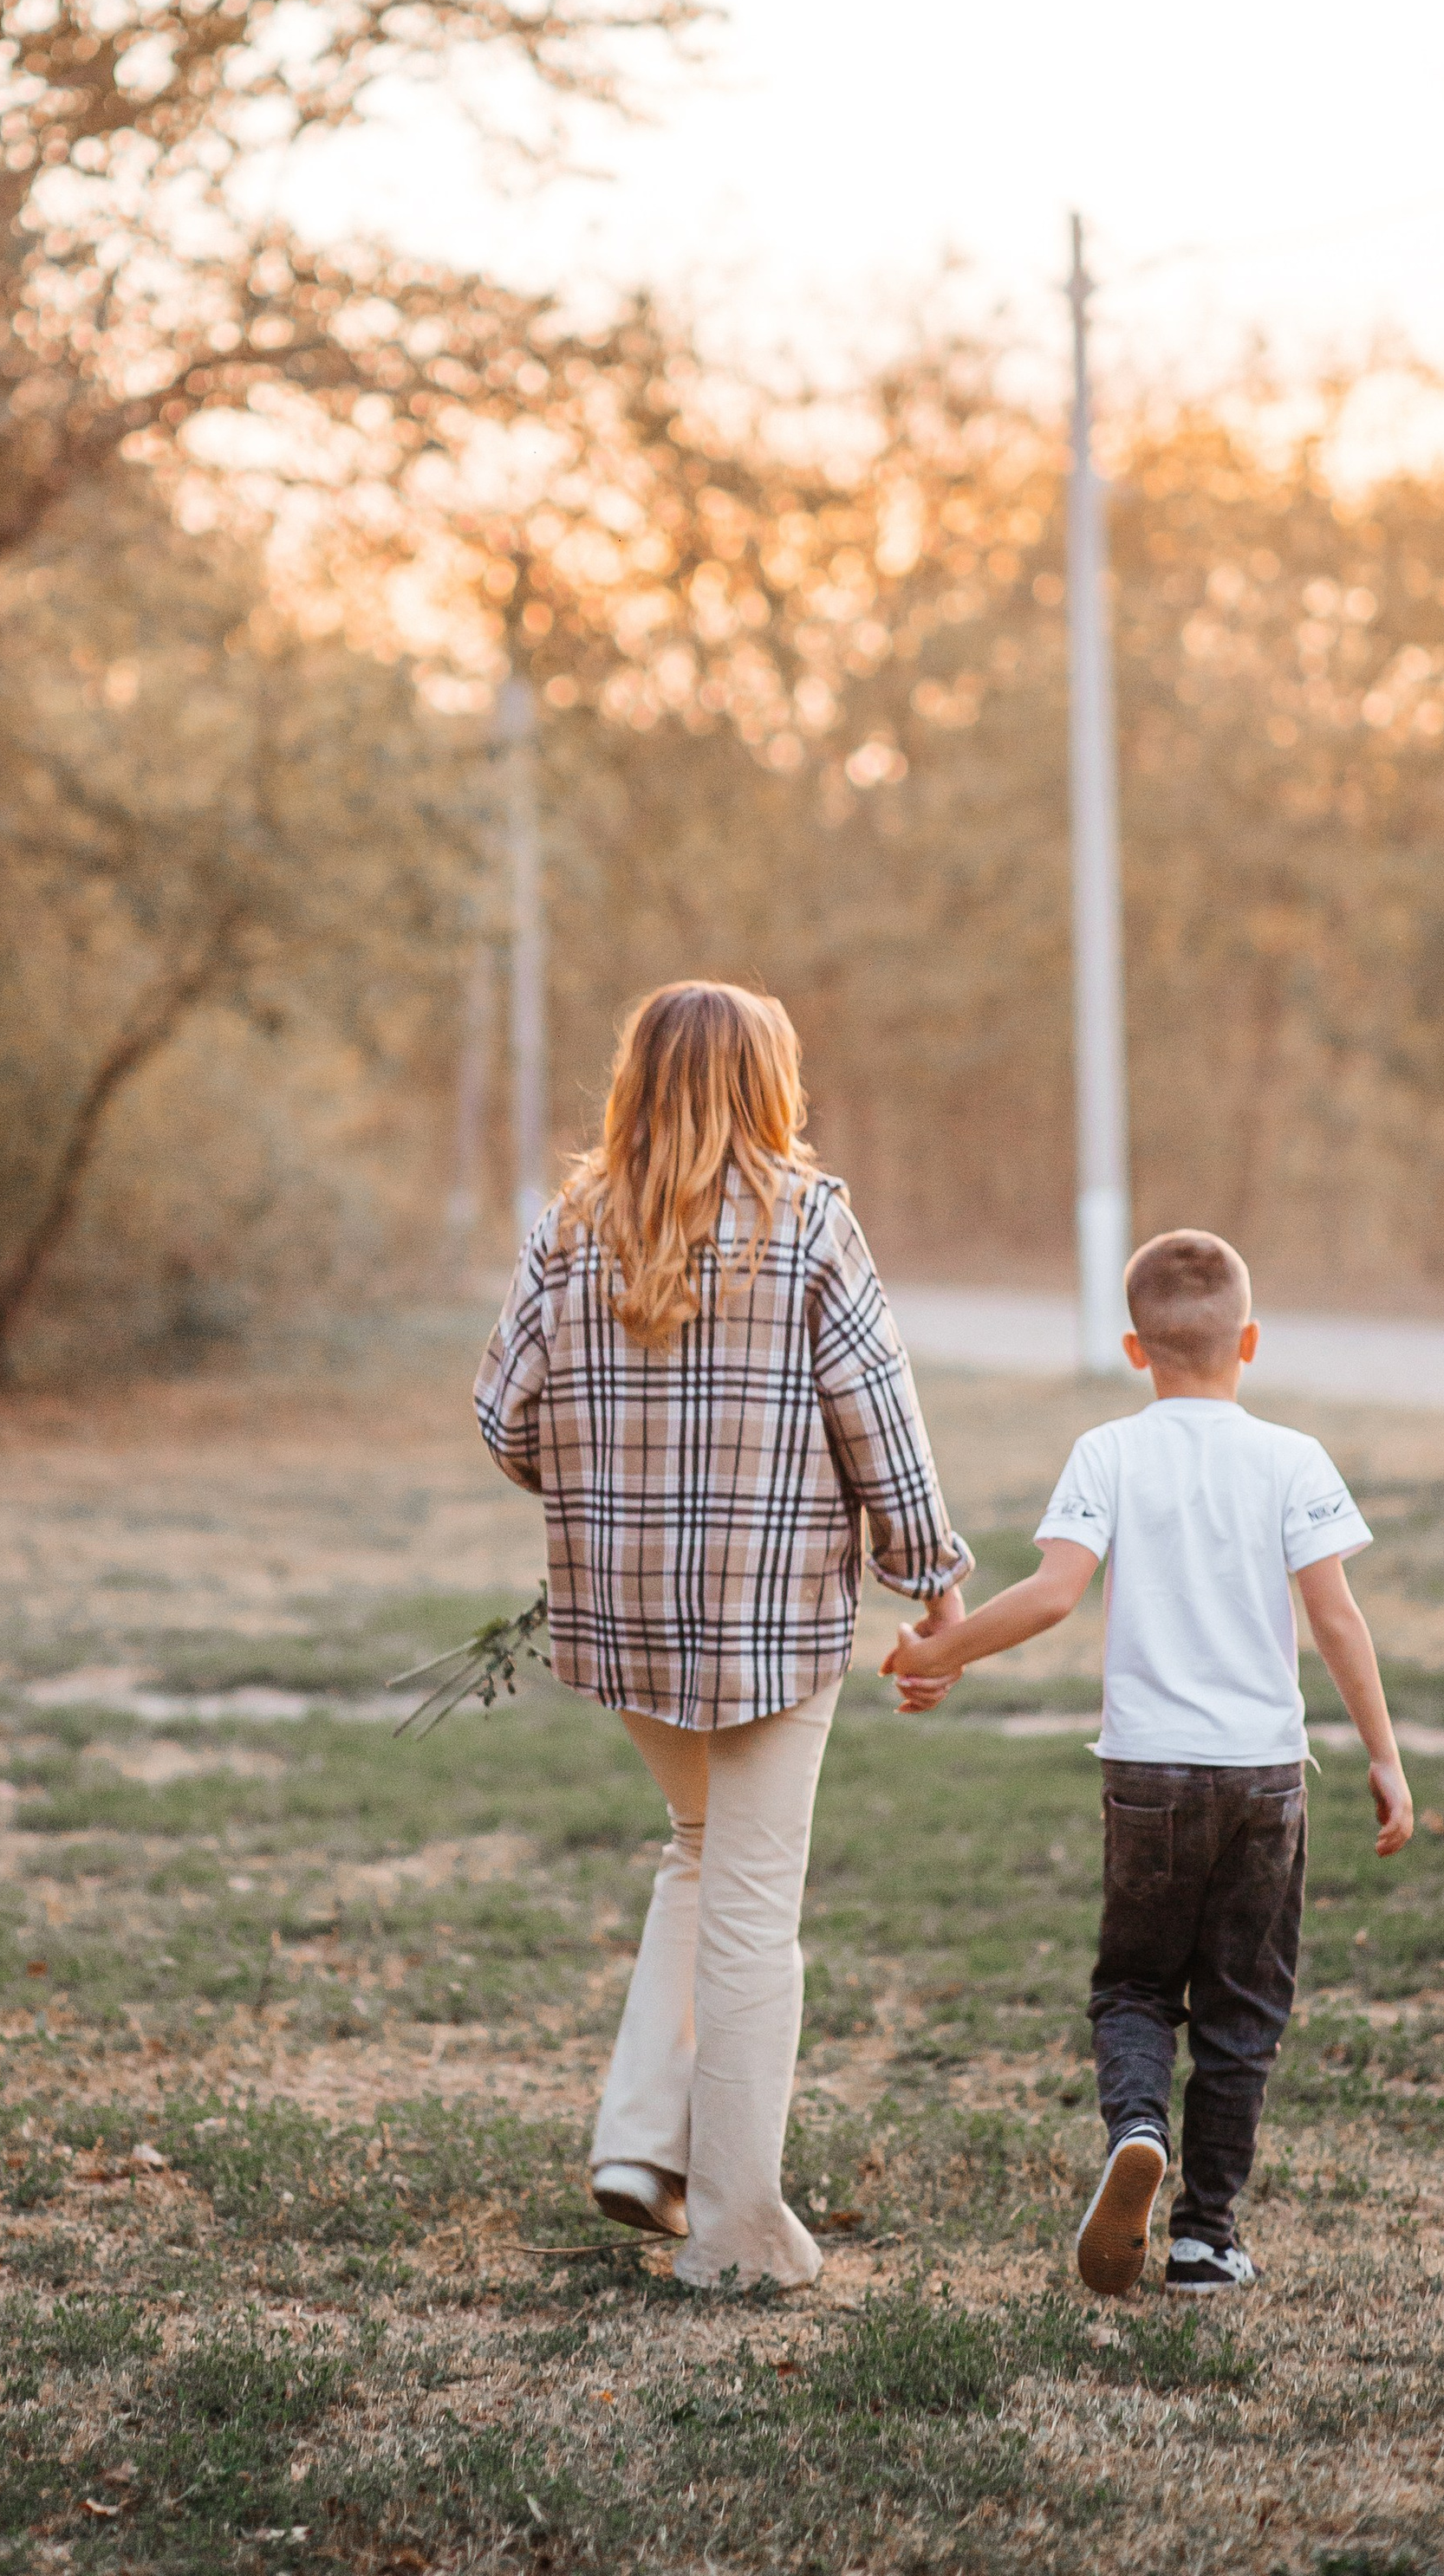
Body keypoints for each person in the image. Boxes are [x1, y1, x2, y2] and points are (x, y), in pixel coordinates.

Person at [474, 981, 972, 2290]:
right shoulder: (810, 1222)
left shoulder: (569, 1228)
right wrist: (931, 1579)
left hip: (625, 1616)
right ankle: (739, 2235)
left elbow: (504, 1419)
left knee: (701, 1850)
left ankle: (643, 2145)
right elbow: (880, 1419)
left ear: (634, 1078)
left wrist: (604, 1488)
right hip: (773, 1618)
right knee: (751, 1903)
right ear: (769, 1081)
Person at [887, 1225, 1414, 2298]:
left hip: (1146, 1776)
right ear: (1248, 1341)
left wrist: (939, 1650)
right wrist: (1385, 1759)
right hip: (1264, 1777)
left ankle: (1139, 2128)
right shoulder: (1290, 1458)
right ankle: (1204, 2236)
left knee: (1134, 1985)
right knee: (1242, 2005)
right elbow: (1338, 1619)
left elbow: (1049, 1594)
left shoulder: (1109, 1450)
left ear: (1137, 1350)